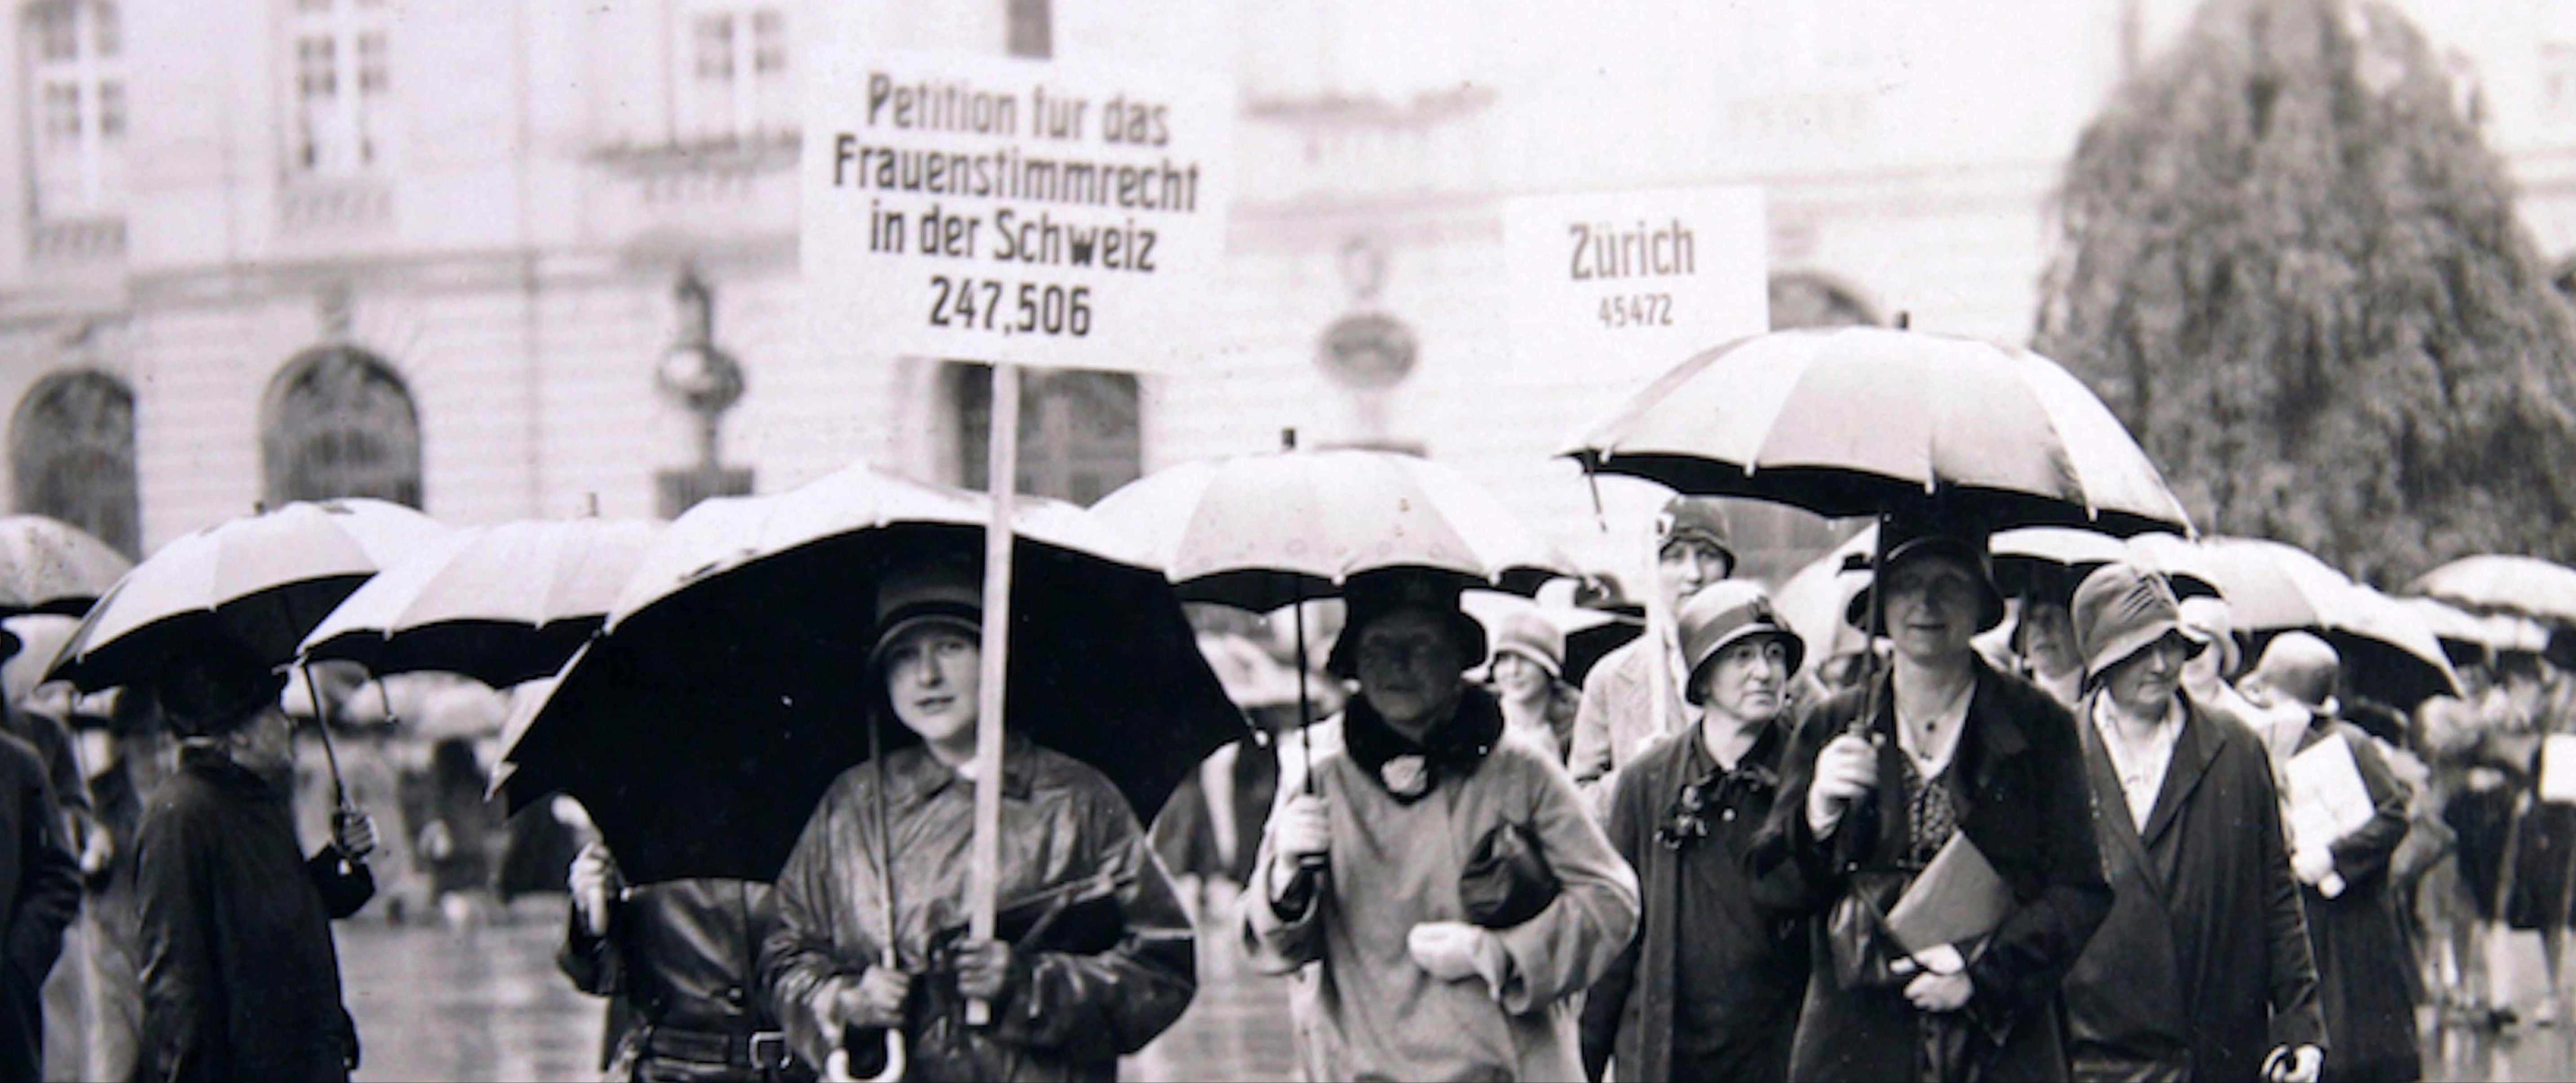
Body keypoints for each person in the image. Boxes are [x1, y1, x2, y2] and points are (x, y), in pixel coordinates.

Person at [761, 562, 1196, 1082]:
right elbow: (785, 956)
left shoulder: (1076, 798)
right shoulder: (851, 804)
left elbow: (1161, 970)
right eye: (903, 655)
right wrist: (848, 1000)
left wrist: (1028, 984)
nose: (927, 676)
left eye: (950, 647)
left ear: (997, 659)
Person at [1749, 509, 2111, 1082]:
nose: (1926, 604)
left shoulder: (2039, 725)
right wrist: (1817, 812)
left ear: (1980, 603)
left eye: (1949, 584)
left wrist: (1980, 972)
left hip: (1998, 1043)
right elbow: (1773, 890)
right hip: (1857, 1042)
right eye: (1908, 585)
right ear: (1882, 603)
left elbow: (2080, 889)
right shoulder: (1831, 723)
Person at [1242, 569, 1639, 1082]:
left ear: (1460, 658)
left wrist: (1498, 954)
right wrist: (1285, 876)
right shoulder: (1322, 785)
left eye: (1422, 644)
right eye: (1378, 644)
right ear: (1354, 661)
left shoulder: (1521, 771)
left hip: (1503, 1067)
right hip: (1367, 1066)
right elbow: (1273, 945)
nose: (1398, 664)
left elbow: (1611, 900)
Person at [2057, 563, 2326, 1083]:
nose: (2160, 665)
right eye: (2138, 651)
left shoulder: (2235, 748)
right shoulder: (2057, 754)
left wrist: (2300, 1026)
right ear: (2099, 661)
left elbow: (2275, 891)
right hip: (2094, 1055)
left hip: (2218, 1050)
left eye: (2173, 645)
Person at [1581, 581, 1810, 1083]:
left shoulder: (1810, 772)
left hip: (1777, 1051)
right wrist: (1587, 1060)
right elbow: (1618, 932)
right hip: (1669, 1051)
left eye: (1774, 653)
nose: (1764, 671)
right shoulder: (1647, 780)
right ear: (1703, 678)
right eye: (1742, 655)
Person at [134, 635, 379, 1082]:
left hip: (301, 1057)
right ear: (240, 731)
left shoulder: (254, 799)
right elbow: (176, 981)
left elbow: (284, 905)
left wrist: (340, 857)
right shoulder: (181, 812)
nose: (287, 723)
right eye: (274, 710)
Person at [2242, 633, 2421, 1083]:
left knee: (2359, 1035)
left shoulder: (2351, 743)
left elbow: (2392, 815)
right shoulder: (2254, 744)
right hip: (2294, 912)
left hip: (2353, 916)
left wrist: (2335, 855)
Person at [560, 840, 813, 1082]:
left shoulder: (823, 822)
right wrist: (591, 908)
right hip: (671, 1068)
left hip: (803, 1068)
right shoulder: (647, 822)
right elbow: (600, 976)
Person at [1569, 495, 1735, 812]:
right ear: (1652, 571)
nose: (1694, 574)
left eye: (1708, 555)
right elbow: (1579, 808)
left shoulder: (1767, 664)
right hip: (1649, 856)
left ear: (1727, 569)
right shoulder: (1611, 678)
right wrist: (1638, 775)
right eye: (1674, 557)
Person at [1489, 608, 1580, 763]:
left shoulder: (1578, 723)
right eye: (1504, 659)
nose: (1513, 671)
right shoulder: (1477, 718)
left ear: (1548, 668)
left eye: (1525, 659)